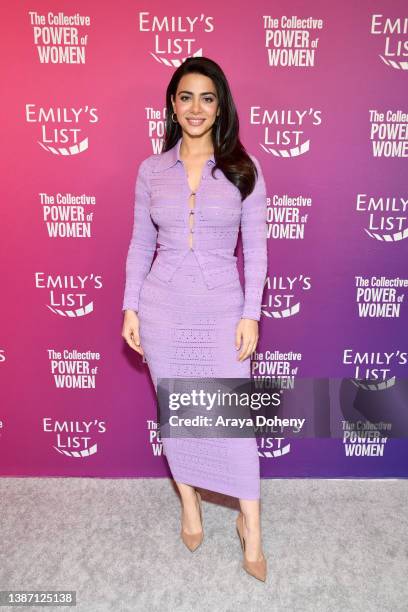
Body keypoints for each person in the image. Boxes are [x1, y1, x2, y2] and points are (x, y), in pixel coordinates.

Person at [122, 56, 268, 582]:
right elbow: (141, 243)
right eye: (186, 96)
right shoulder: (150, 170)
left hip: (222, 308)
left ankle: (251, 525)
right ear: (172, 104)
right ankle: (190, 502)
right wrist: (130, 306)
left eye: (207, 98)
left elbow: (256, 249)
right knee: (178, 415)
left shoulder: (243, 170)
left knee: (233, 422)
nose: (196, 108)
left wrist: (250, 315)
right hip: (162, 307)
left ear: (220, 105)